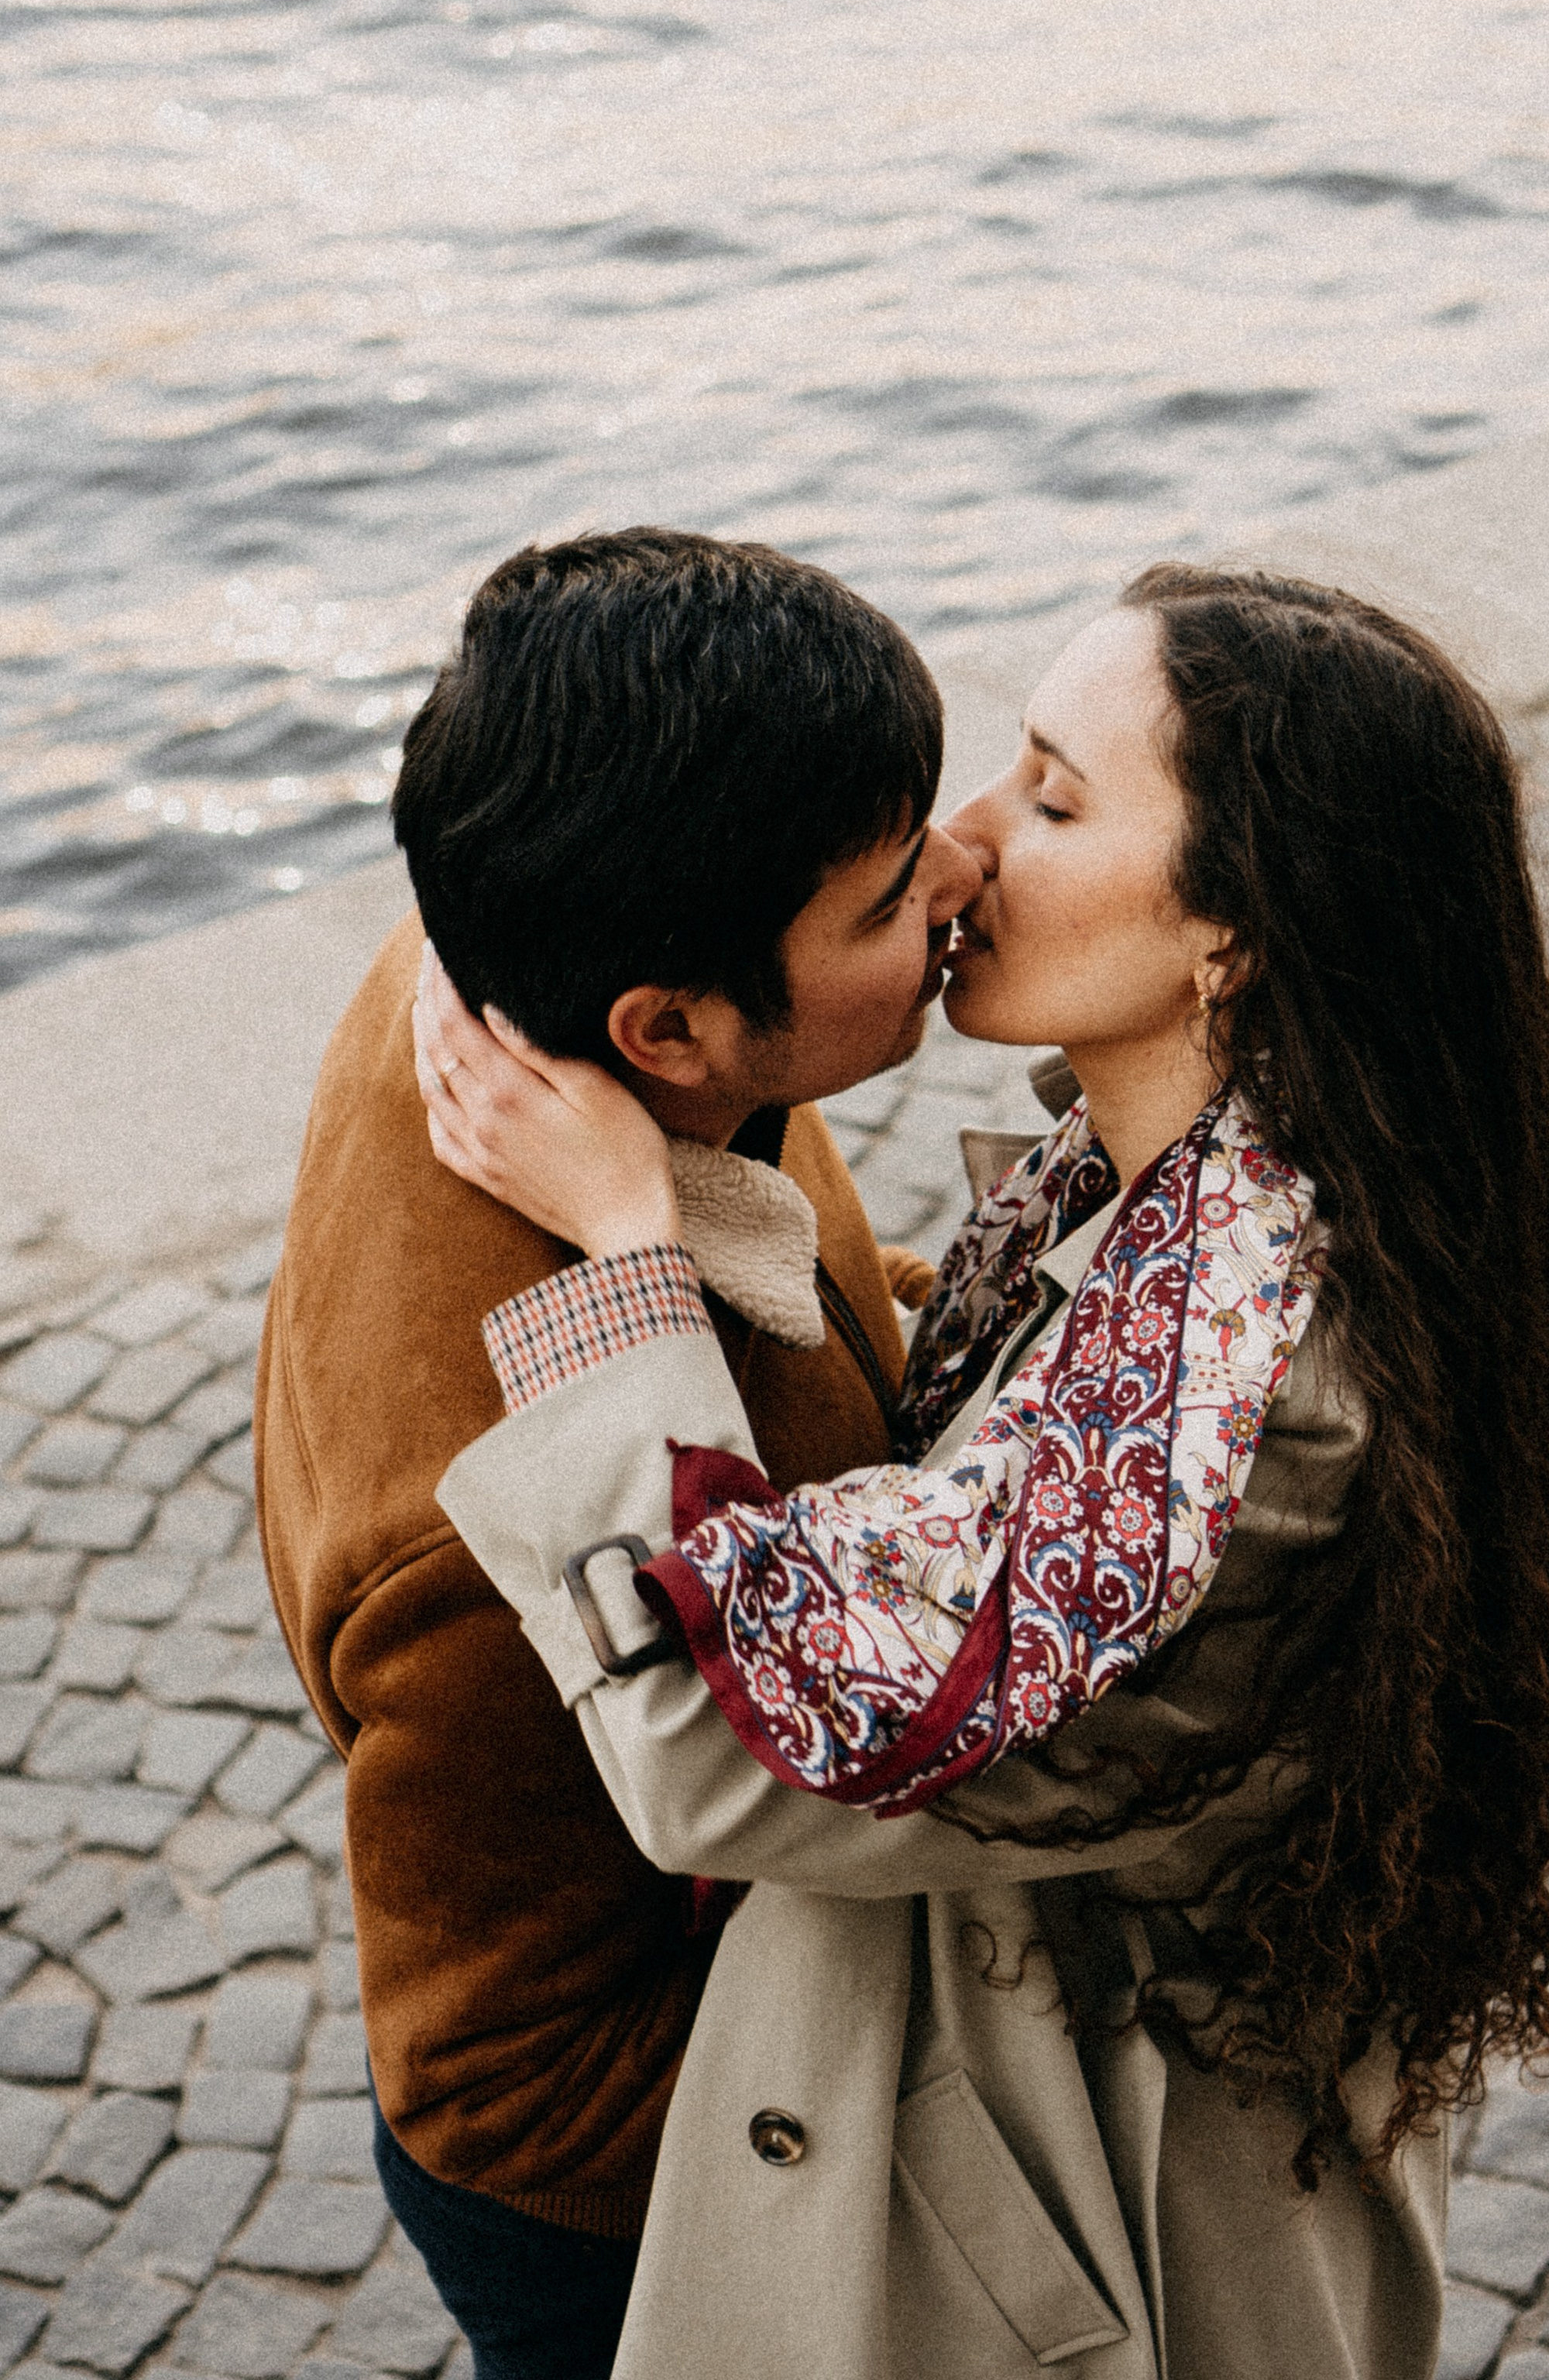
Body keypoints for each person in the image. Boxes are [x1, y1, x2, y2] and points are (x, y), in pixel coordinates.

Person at [424, 562, 1549, 2380]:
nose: (961, 846)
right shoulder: (1176, 1196)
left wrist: (631, 1263)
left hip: (1087, 2266)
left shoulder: (1257, 1390)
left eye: (1049, 794)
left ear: (1236, 931)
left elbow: (728, 1763)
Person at [254, 529, 981, 2380]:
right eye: (894, 897)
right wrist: (889, 2180)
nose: (965, 882)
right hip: (612, 2199)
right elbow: (512, 2062)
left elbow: (812, 1302)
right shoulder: (490, 1533)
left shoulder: (532, 945)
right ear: (671, 1029)